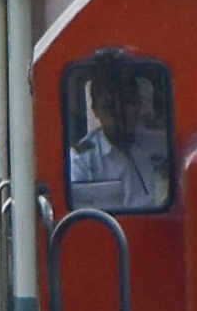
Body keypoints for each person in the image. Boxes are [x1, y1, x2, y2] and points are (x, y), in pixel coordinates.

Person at [67, 65, 169, 211]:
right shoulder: (81, 159)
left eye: (128, 103)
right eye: (109, 106)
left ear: (139, 104)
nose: (121, 113)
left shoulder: (161, 145)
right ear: (95, 110)